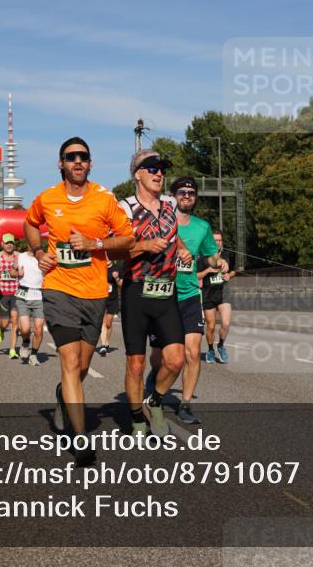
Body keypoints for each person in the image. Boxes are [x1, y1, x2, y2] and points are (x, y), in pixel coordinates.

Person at [25, 136, 134, 467]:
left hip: (95, 293)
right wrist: (39, 251)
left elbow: (127, 238)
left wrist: (94, 243)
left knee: (83, 366)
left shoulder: (104, 199)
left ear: (89, 163)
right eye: (71, 157)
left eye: (83, 157)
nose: (77, 162)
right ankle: (81, 439)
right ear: (61, 163)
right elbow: (30, 224)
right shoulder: (47, 198)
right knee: (70, 363)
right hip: (58, 289)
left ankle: (63, 395)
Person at [114, 150, 192, 437]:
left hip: (166, 291)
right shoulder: (124, 207)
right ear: (137, 174)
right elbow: (114, 248)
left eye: (161, 168)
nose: (159, 173)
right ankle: (136, 418)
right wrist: (144, 247)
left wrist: (181, 249)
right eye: (152, 168)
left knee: (176, 359)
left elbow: (174, 235)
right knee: (135, 364)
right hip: (137, 290)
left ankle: (155, 400)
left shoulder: (170, 204)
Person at [147, 177, 228, 424]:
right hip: (161, 294)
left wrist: (218, 262)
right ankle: (156, 376)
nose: (187, 196)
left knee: (193, 352)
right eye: (182, 192)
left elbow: (210, 256)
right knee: (162, 356)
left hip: (190, 295)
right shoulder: (159, 222)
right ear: (173, 196)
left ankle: (186, 403)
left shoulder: (202, 227)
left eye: (191, 193)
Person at [201, 229, 236, 364]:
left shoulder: (227, 254)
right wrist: (208, 270)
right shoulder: (203, 256)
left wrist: (229, 275)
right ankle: (210, 349)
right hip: (208, 294)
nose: (218, 242)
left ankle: (220, 346)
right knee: (210, 326)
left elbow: (234, 271)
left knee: (226, 324)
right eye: (215, 240)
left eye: (220, 240)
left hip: (223, 293)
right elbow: (196, 275)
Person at [0, 233, 21, 358]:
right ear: (2, 244)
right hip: (3, 294)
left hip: (17, 293)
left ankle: (12, 349)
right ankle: (0, 330)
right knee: (5, 323)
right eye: (7, 243)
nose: (9, 244)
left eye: (11, 242)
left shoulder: (18, 256)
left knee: (15, 320)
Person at [16, 246, 46, 366]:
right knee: (25, 329)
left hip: (39, 295)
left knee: (38, 329)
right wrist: (17, 273)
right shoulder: (20, 256)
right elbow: (12, 272)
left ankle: (33, 355)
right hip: (23, 295)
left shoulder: (44, 257)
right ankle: (25, 342)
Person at [98, 262, 122, 357]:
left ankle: (107, 343)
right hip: (101, 297)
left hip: (113, 299)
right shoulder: (99, 267)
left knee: (109, 323)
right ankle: (103, 345)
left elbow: (121, 284)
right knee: (103, 322)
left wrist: (116, 278)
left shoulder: (117, 268)